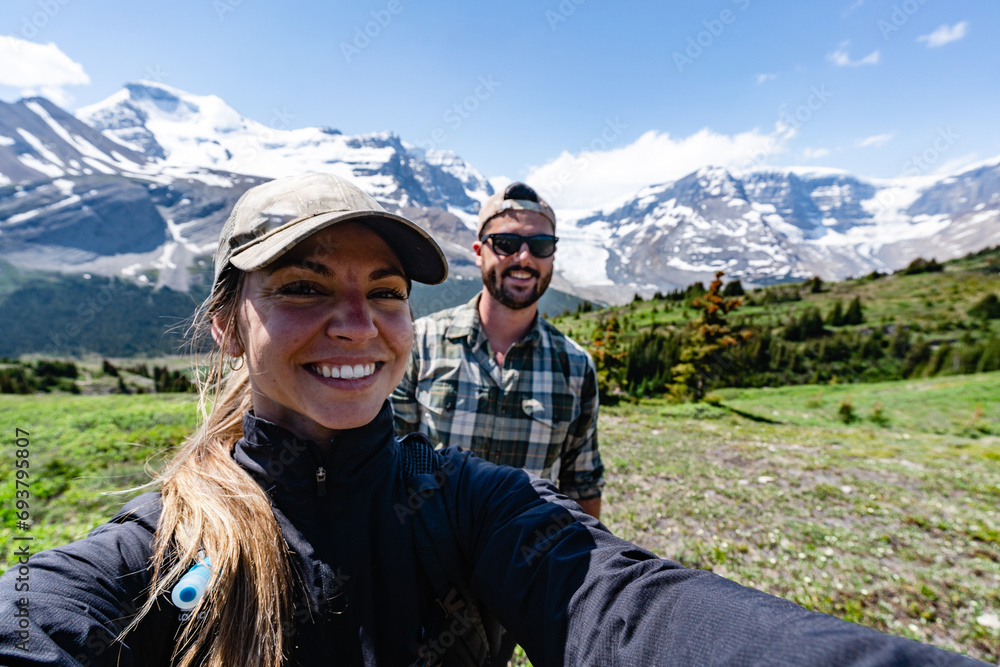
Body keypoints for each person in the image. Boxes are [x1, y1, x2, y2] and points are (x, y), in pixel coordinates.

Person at [0, 172, 986, 667]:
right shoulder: (162, 545)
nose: (357, 325)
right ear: (224, 323)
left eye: (383, 291)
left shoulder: (475, 498)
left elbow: (620, 596)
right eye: (302, 286)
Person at [392, 182, 604, 520]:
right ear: (478, 251)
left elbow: (583, 484)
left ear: (552, 255)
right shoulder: (420, 342)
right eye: (506, 243)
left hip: (530, 562)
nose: (524, 258)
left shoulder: (576, 366)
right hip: (429, 554)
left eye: (540, 245)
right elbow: (389, 458)